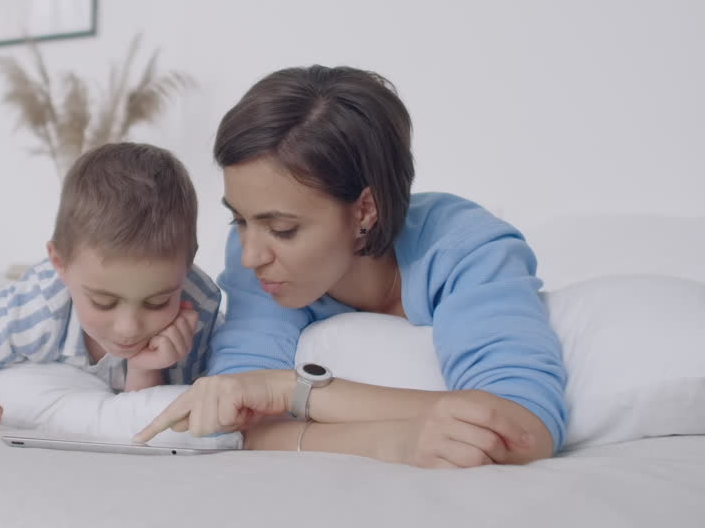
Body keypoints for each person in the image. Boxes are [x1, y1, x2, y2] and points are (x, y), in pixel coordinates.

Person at [134, 66, 567, 468]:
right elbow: (238, 423)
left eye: (282, 228)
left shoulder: (466, 248)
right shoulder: (260, 264)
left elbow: (524, 428)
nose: (250, 255)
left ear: (365, 209)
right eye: (239, 219)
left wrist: (289, 389)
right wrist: (394, 442)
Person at [0, 142, 222, 429]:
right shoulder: (37, 307)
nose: (128, 328)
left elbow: (142, 422)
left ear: (188, 264)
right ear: (59, 263)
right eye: (103, 302)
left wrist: (145, 368)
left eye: (155, 303)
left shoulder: (199, 303)